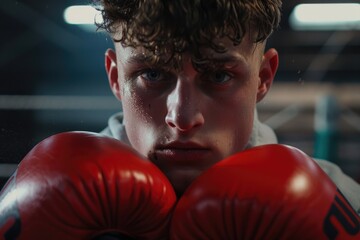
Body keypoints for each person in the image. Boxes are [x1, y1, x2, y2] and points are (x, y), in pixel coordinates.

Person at [95, 0, 360, 214]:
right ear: (116, 78)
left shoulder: (341, 203)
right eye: (152, 75)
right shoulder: (55, 200)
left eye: (219, 75)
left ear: (262, 79)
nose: (183, 118)